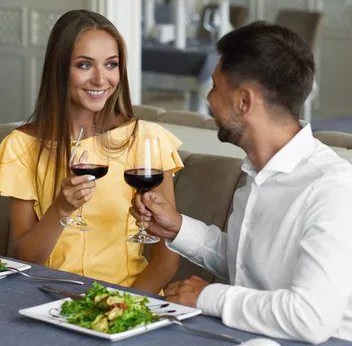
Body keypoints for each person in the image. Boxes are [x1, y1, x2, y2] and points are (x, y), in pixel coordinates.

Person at [131, 21, 352, 342]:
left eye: (215, 88)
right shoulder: (257, 173)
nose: (209, 100)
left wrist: (208, 297)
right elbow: (247, 262)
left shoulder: (332, 188)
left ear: (244, 102)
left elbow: (310, 317)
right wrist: (178, 228)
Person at [0, 9, 182, 293]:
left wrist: (117, 307)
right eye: (84, 65)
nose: (101, 80)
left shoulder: (144, 139)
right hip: (48, 299)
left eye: (111, 64)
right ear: (59, 68)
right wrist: (61, 209)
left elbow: (166, 260)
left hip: (129, 302)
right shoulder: (22, 145)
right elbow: (25, 258)